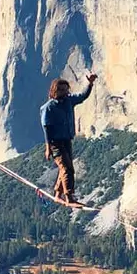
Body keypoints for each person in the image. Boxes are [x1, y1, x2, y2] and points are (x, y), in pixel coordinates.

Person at [39, 73, 97, 204]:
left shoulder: (69, 101)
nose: (65, 92)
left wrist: (90, 84)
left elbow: (83, 96)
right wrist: (48, 147)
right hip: (55, 143)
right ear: (55, 91)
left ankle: (58, 194)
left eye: (66, 90)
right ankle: (69, 197)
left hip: (66, 140)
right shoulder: (48, 107)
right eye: (62, 90)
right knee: (67, 169)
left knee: (65, 167)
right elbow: (46, 128)